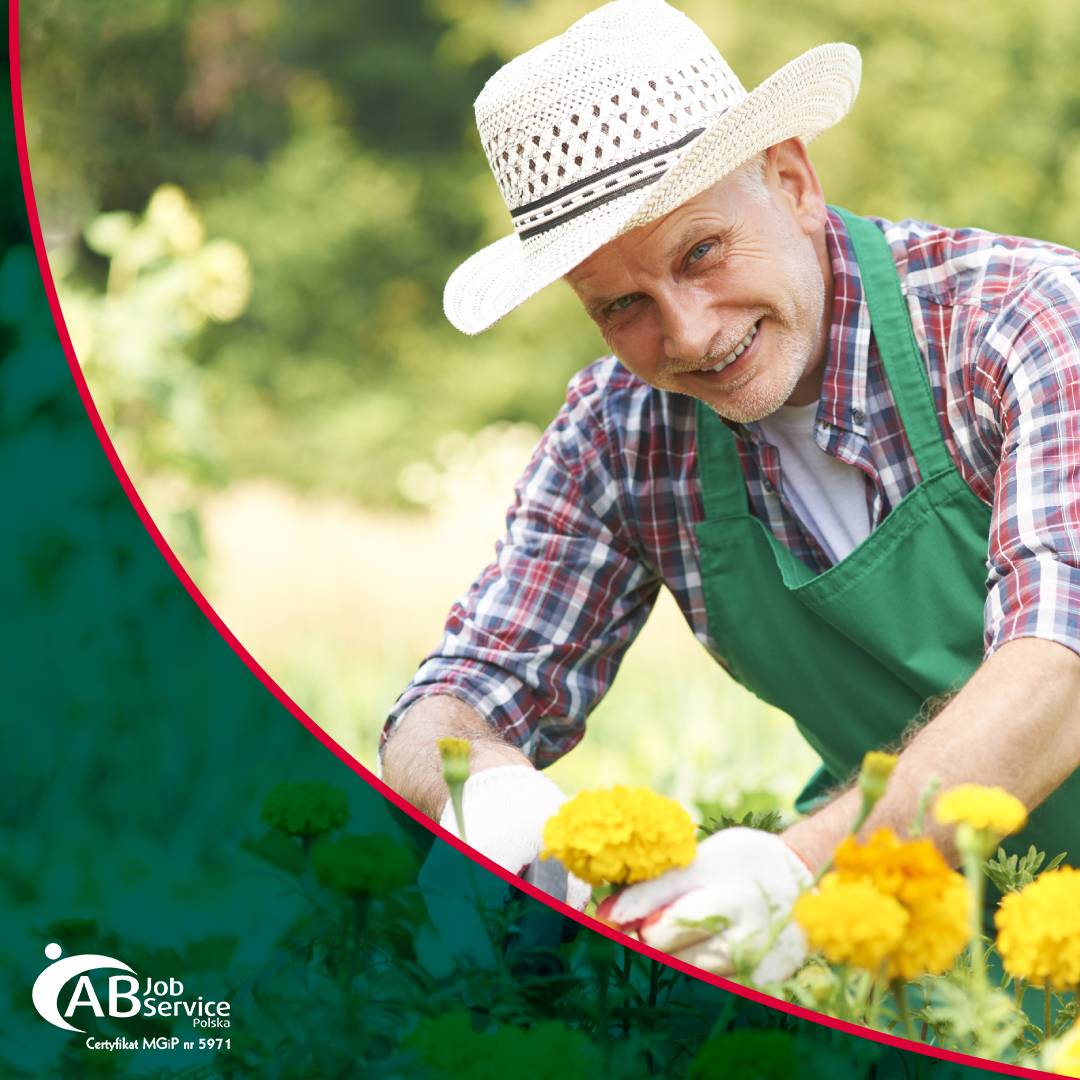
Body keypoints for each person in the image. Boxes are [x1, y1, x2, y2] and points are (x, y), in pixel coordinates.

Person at [380, 0, 1080, 979]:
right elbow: (453, 699)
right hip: (926, 938)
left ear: (791, 180)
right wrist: (486, 795)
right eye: (624, 305)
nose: (692, 334)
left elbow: (1062, 668)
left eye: (700, 253)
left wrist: (797, 871)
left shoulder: (1023, 321)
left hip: (871, 881)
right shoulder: (619, 438)